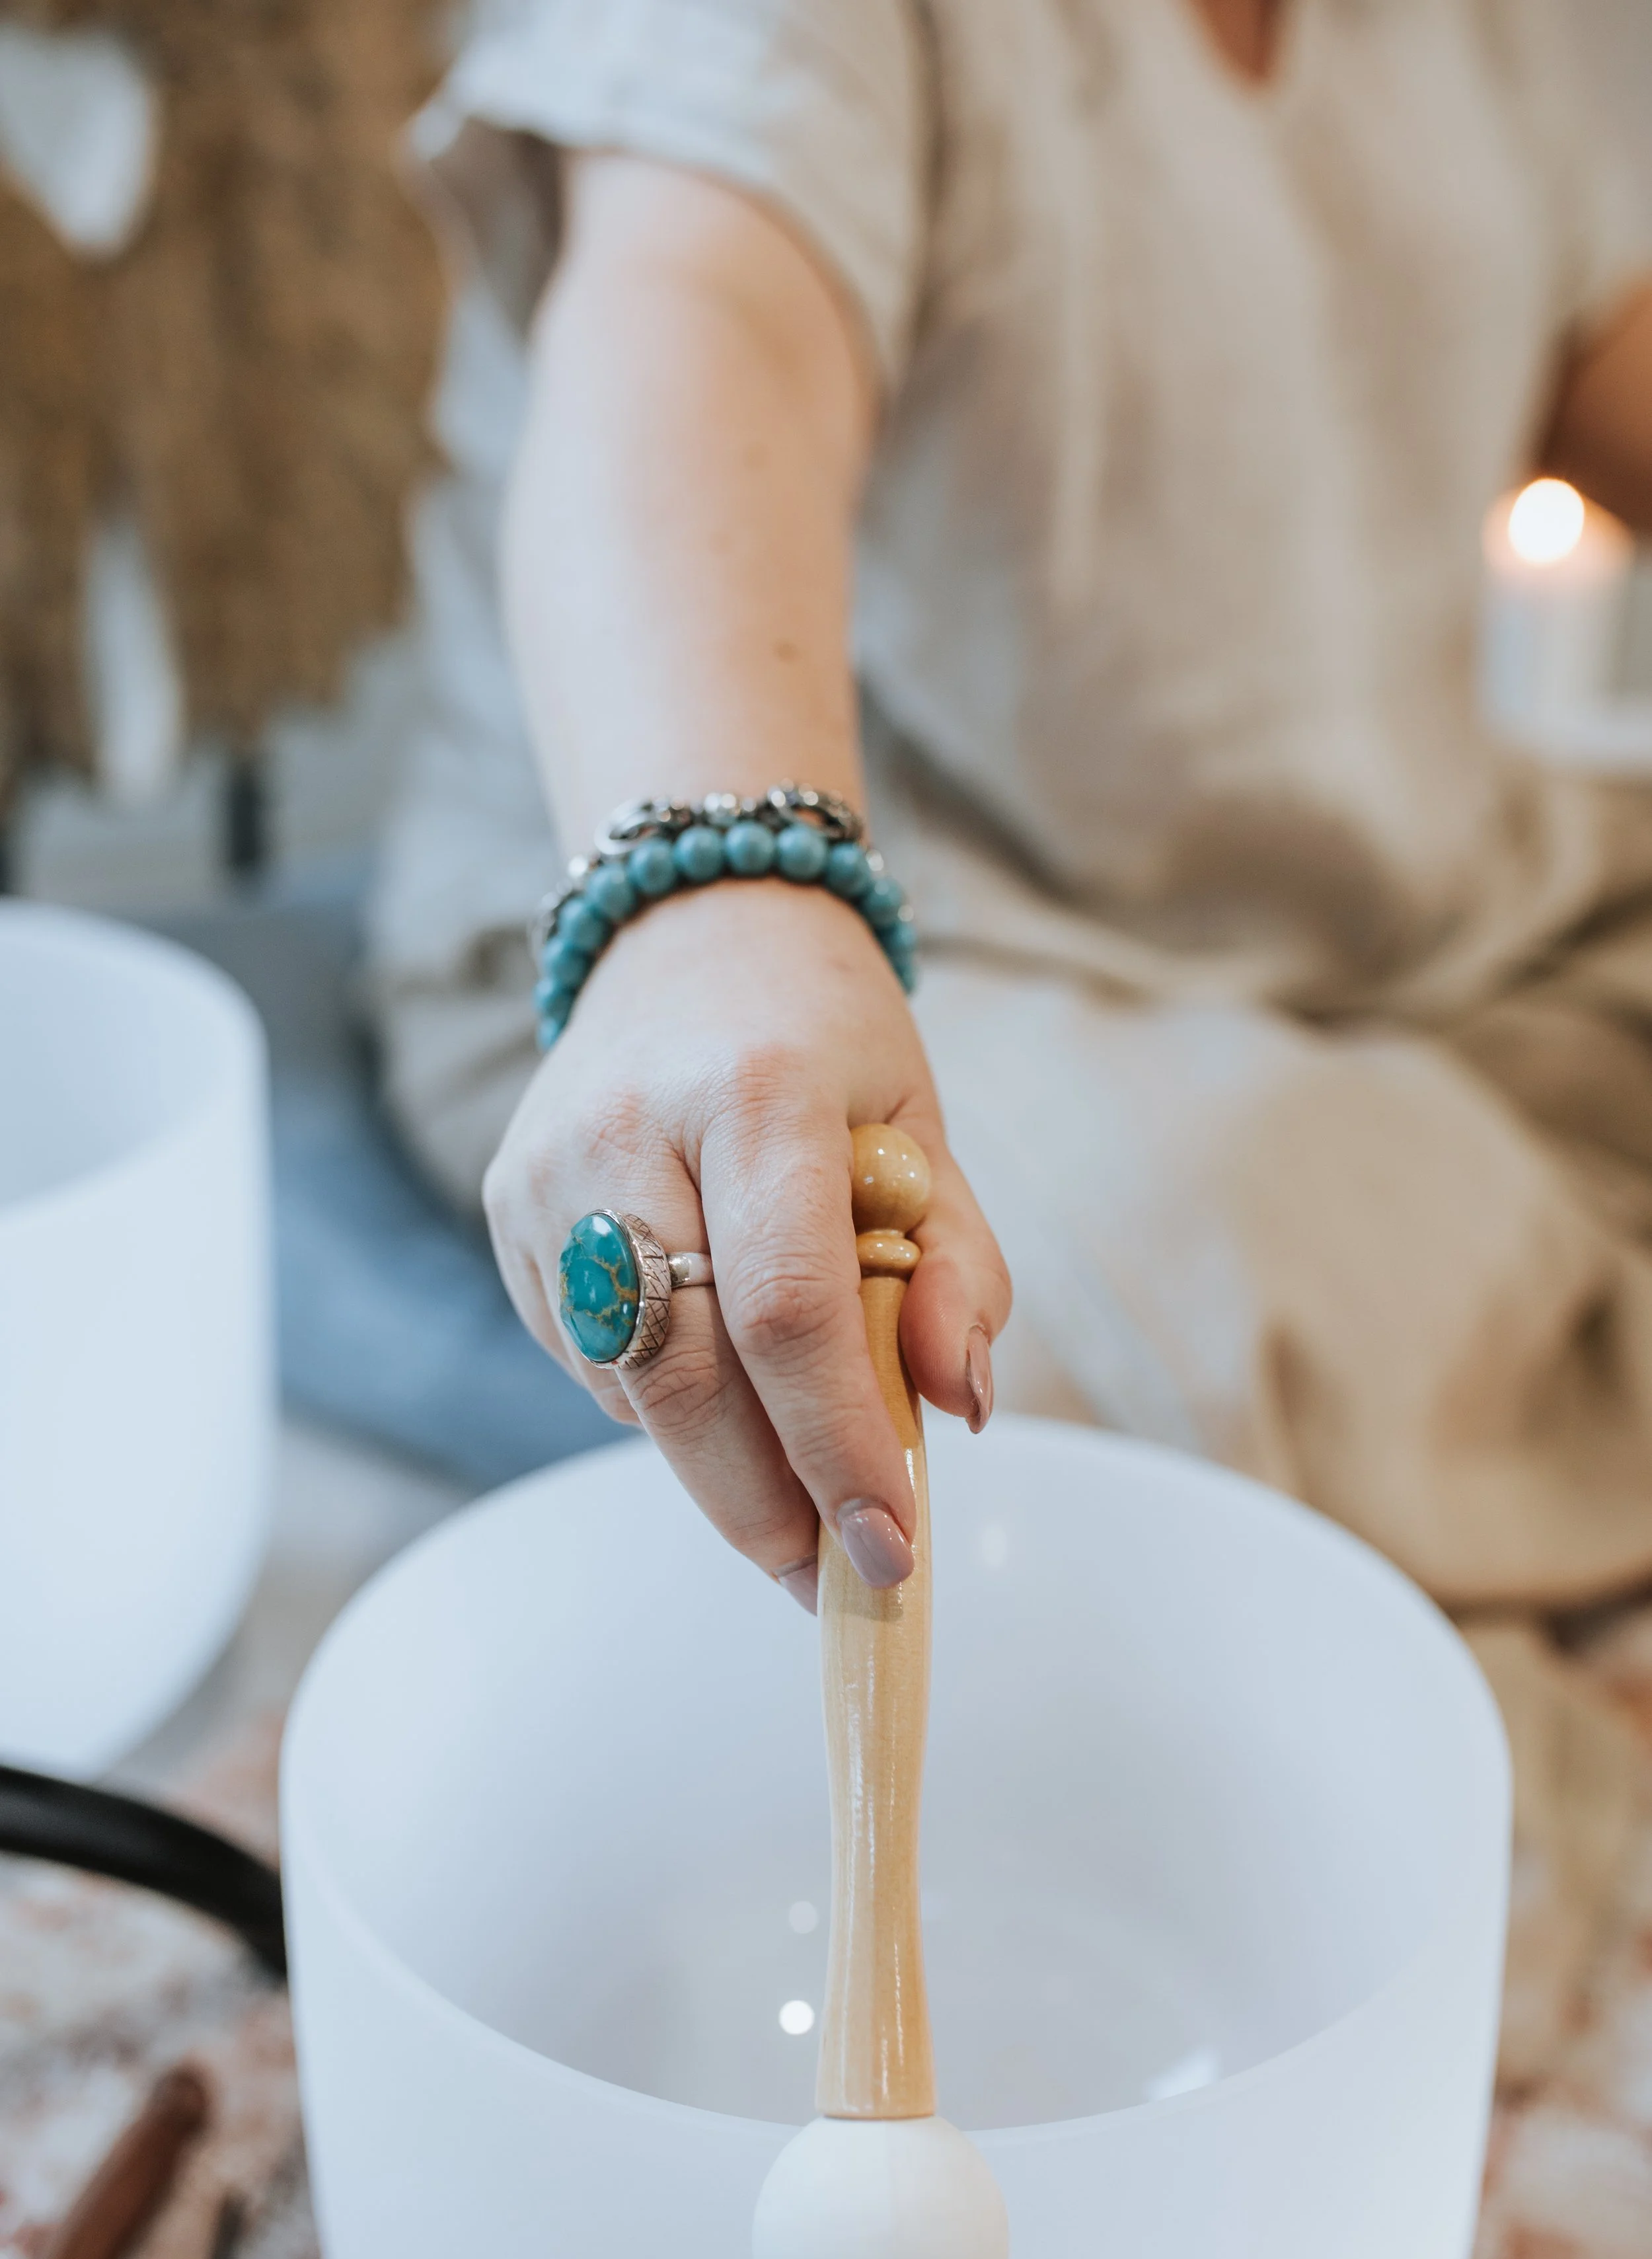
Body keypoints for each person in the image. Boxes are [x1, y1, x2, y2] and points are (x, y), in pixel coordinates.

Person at [369, 0, 1652, 1652]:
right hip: (823, 945)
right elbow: (701, 318)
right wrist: (718, 896)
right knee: (995, 1358)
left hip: (1381, 905)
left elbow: (1587, 340)